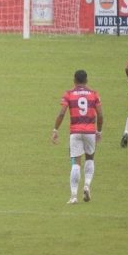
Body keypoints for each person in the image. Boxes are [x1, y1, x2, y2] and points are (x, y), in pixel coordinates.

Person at [52, 70, 103, 205]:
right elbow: (100, 115)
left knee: (75, 162)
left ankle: (74, 196)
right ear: (86, 80)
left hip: (75, 132)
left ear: (74, 80)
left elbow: (62, 113)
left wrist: (55, 129)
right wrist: (99, 131)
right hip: (90, 132)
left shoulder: (68, 94)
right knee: (90, 158)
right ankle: (86, 185)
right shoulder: (94, 94)